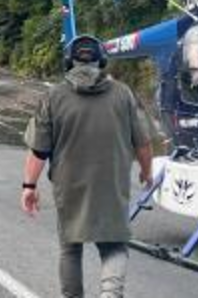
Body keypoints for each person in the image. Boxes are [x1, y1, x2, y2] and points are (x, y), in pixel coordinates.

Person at [21, 35, 153, 298]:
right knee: (114, 246)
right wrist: (146, 171)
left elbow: (38, 150)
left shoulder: (53, 96)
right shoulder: (123, 94)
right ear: (101, 60)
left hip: (69, 184)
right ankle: (110, 294)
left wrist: (29, 186)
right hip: (111, 184)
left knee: (70, 247)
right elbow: (143, 142)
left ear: (68, 61)